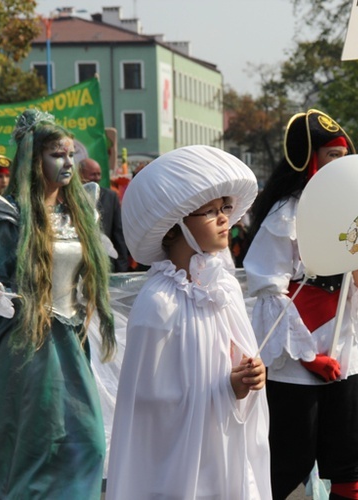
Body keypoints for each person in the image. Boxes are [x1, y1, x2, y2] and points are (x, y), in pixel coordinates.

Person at [0, 109, 115, 498]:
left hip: (74, 342)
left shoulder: (81, 212)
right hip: (26, 346)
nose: (67, 163)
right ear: (34, 159)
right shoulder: (8, 215)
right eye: (56, 155)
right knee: (34, 449)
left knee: (89, 442)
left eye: (69, 155)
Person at [106, 145, 270, 499]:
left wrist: (250, 377)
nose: (225, 218)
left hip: (225, 448)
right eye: (210, 211)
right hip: (180, 470)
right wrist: (224, 389)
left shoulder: (223, 286)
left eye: (225, 207)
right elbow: (150, 407)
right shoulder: (158, 303)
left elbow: (240, 358)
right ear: (174, 226)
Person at [244, 109, 358, 500]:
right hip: (295, 364)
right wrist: (308, 358)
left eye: (343, 157)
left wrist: (356, 271)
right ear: (309, 160)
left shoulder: (352, 211)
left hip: (344, 355)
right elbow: (271, 292)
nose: (339, 166)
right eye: (330, 157)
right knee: (287, 460)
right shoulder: (285, 215)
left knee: (348, 459)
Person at [78, 157, 129, 272]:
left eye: (99, 174)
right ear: (80, 174)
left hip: (105, 264)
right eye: (93, 174)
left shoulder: (111, 197)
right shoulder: (71, 197)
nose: (97, 178)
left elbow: (118, 234)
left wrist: (122, 267)